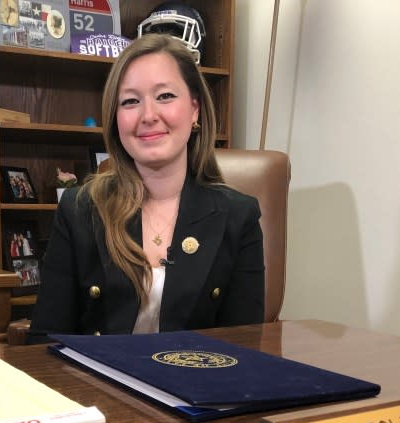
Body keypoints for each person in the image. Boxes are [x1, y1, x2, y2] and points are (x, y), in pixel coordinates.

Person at [29, 33, 264, 337]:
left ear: (195, 109)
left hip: (197, 382)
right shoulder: (78, 210)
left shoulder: (239, 216)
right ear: (115, 119)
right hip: (93, 383)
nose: (148, 115)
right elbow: (45, 341)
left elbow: (244, 350)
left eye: (165, 96)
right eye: (130, 101)